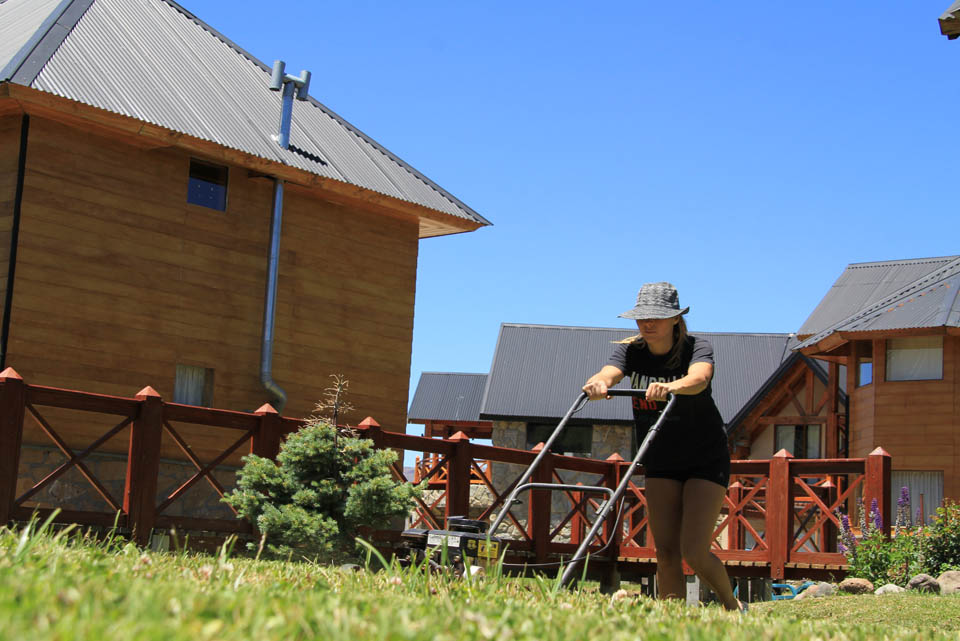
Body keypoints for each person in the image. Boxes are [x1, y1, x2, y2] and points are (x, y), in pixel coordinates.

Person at [582, 282, 745, 612]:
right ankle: (672, 619)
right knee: (666, 551)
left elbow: (699, 378)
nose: (648, 323)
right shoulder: (630, 351)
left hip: (704, 457)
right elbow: (609, 373)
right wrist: (599, 383)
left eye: (656, 316)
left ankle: (732, 605)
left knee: (693, 551)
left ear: (675, 319)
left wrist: (671, 386)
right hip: (660, 458)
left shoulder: (697, 347)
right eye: (642, 317)